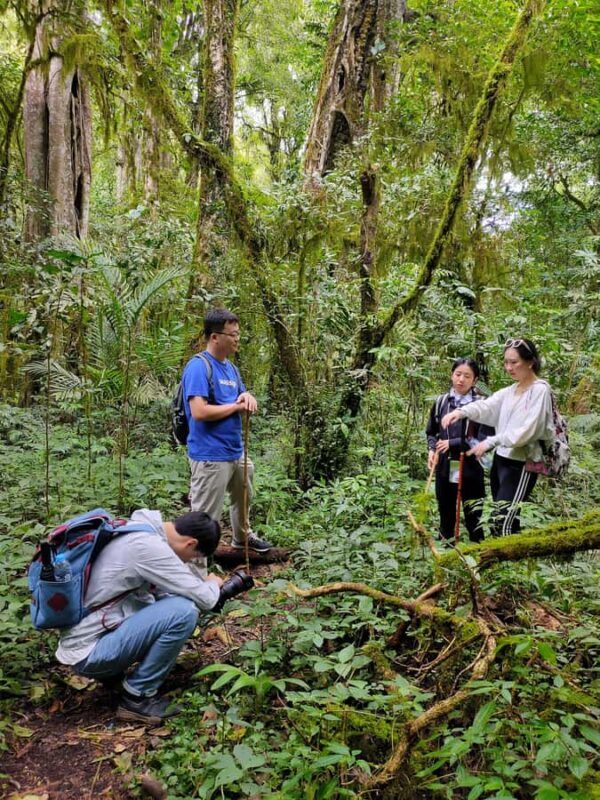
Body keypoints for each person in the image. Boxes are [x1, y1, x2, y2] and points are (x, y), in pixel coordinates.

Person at [56, 509, 224, 724]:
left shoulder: (135, 530)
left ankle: (113, 676)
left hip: (87, 640)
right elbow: (206, 599)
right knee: (184, 612)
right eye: (194, 558)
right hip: (89, 653)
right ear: (190, 544)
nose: (188, 563)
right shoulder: (149, 548)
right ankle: (137, 696)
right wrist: (213, 583)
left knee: (173, 603)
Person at [182, 308, 272, 554]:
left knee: (243, 498)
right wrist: (235, 406)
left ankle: (242, 538)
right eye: (232, 334)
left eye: (238, 334)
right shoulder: (199, 367)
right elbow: (199, 411)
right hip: (210, 455)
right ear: (215, 337)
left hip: (235, 451)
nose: (237, 339)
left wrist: (246, 396)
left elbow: (240, 395)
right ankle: (195, 562)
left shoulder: (231, 369)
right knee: (204, 514)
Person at [442, 338, 553, 537]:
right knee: (496, 521)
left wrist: (491, 441)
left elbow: (527, 431)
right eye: (506, 362)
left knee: (505, 521)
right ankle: (504, 565)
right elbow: (487, 406)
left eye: (514, 362)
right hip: (501, 461)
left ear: (530, 362)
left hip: (522, 464)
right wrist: (461, 412)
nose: (509, 367)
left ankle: (512, 564)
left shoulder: (540, 390)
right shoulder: (510, 391)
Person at [426, 358, 491, 543]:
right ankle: (446, 553)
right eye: (458, 374)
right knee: (446, 511)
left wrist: (453, 443)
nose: (461, 379)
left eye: (467, 376)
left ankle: (479, 554)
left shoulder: (482, 405)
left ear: (475, 380)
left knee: (473, 514)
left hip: (470, 467)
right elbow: (432, 431)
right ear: (451, 375)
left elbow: (485, 438)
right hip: (446, 466)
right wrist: (432, 449)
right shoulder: (442, 402)